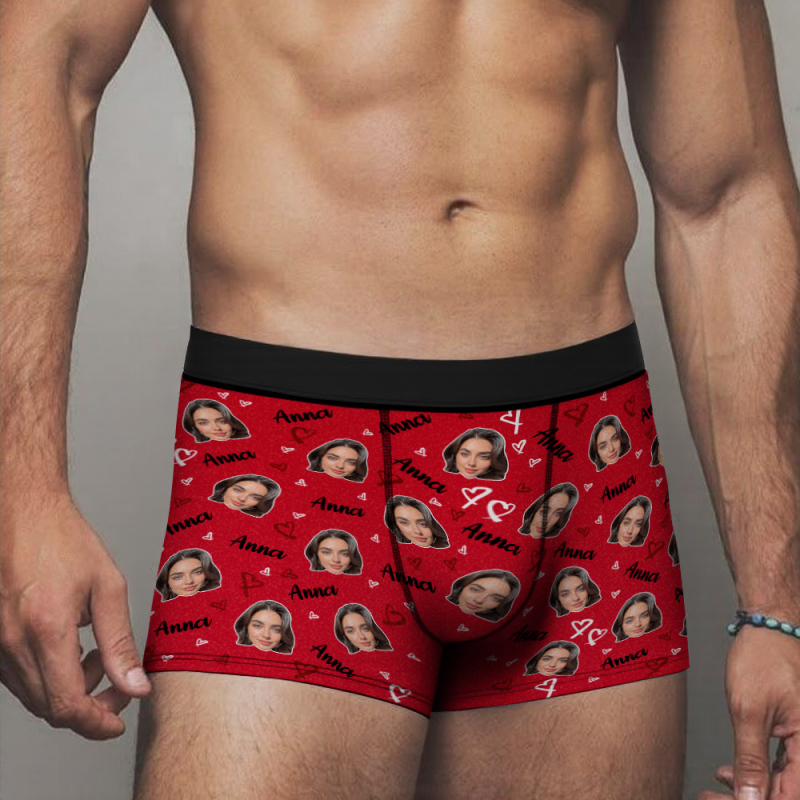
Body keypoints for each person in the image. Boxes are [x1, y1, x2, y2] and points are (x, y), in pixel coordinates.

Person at [1, 3, 798, 800]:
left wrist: (779, 609)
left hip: (588, 472)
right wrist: (21, 492)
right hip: (289, 458)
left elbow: (729, 195)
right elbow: (41, 66)